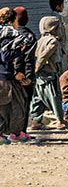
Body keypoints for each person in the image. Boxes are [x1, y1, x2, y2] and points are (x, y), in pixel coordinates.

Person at [0, 8, 33, 142]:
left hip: (7, 77)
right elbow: (4, 55)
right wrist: (20, 50)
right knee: (6, 107)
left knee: (16, 105)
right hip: (3, 78)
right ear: (12, 21)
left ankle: (16, 133)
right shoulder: (7, 36)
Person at [30, 16, 67, 130]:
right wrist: (37, 67)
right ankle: (60, 121)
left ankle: (36, 120)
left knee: (38, 97)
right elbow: (44, 55)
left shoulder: (40, 40)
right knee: (54, 96)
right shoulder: (53, 41)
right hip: (49, 73)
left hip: (40, 74)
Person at [13, 6, 37, 133]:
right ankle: (21, 132)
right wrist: (27, 77)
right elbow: (28, 59)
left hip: (8, 75)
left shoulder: (7, 33)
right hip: (22, 76)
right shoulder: (28, 35)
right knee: (24, 103)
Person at [49, 0, 68, 66]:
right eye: (62, 5)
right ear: (57, 7)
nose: (63, 7)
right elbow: (60, 33)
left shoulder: (51, 17)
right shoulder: (57, 18)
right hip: (58, 47)